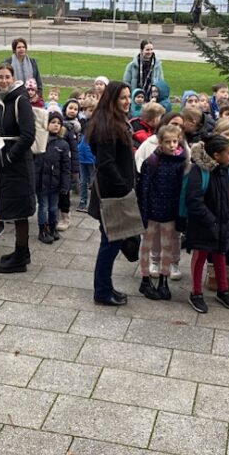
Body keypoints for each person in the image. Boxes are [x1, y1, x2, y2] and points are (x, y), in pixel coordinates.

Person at [87, 80, 135, 305]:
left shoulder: (115, 120)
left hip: (116, 191)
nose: (127, 102)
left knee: (111, 241)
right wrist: (124, 187)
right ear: (113, 100)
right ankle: (102, 291)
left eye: (128, 97)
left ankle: (105, 287)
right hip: (112, 194)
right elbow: (106, 163)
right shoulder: (107, 125)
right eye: (123, 98)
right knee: (110, 243)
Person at [0, 62, 37, 273]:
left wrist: (9, 158)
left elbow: (28, 135)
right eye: (0, 77)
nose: (4, 81)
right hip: (2, 159)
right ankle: (21, 251)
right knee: (11, 206)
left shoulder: (20, 100)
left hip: (17, 163)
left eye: (7, 77)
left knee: (20, 209)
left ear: (13, 77)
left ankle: (21, 253)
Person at [184, 134, 229, 312]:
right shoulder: (198, 171)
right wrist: (211, 220)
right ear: (216, 155)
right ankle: (196, 292)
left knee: (220, 254)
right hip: (203, 224)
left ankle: (222, 290)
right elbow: (194, 200)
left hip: (223, 222)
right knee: (200, 256)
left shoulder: (228, 170)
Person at [137, 124, 187, 301]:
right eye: (168, 142)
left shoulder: (181, 162)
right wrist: (143, 214)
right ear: (160, 142)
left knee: (167, 246)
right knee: (146, 245)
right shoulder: (151, 161)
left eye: (175, 141)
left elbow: (183, 189)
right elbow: (144, 189)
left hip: (170, 211)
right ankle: (145, 278)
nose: (172, 145)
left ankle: (163, 280)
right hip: (151, 211)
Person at [35, 111, 72, 244]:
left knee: (53, 207)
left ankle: (52, 227)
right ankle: (43, 229)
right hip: (41, 182)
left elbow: (66, 167)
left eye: (58, 123)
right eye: (53, 122)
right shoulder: (40, 141)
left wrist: (65, 185)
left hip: (55, 183)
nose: (56, 125)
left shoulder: (63, 145)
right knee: (43, 207)